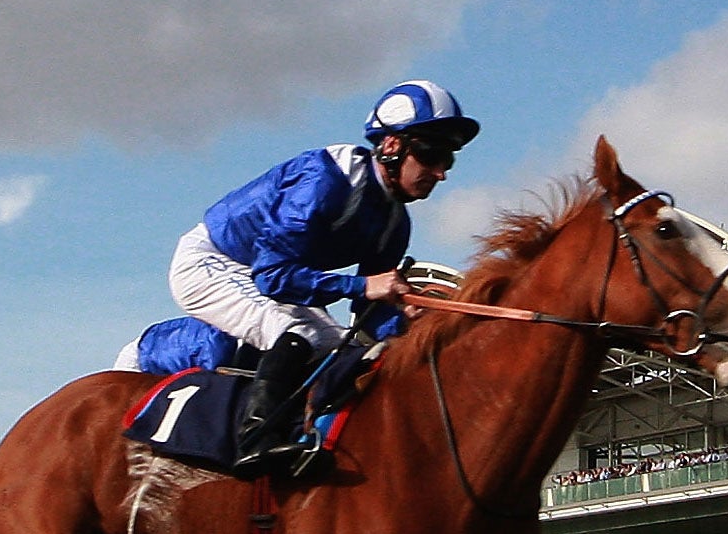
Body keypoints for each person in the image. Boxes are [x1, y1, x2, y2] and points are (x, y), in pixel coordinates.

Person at [143, 80, 480, 477]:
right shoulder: (325, 183)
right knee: (294, 333)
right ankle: (257, 442)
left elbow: (369, 317)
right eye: (431, 154)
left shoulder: (394, 221)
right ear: (391, 145)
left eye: (449, 160)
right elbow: (272, 275)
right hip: (212, 262)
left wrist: (405, 319)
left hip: (265, 273)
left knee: (337, 346)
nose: (440, 173)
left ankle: (307, 435)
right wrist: (361, 286)